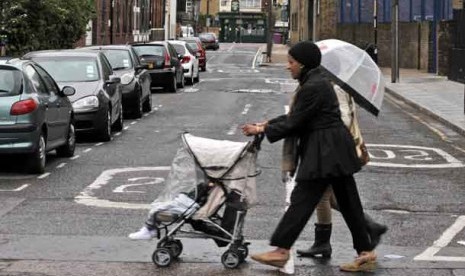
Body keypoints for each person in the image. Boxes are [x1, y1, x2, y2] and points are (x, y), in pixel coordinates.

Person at [241, 41, 378, 272]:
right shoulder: (315, 82)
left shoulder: (314, 86)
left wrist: (262, 129)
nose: (288, 66)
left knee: (302, 200)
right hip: (333, 149)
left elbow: (295, 121)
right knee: (349, 202)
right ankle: (365, 253)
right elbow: (300, 115)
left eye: (291, 62)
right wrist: (268, 123)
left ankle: (281, 251)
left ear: (303, 64)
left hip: (325, 151)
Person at [296, 84, 388, 258]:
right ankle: (370, 226)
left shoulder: (334, 88)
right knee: (334, 197)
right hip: (332, 148)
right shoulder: (335, 86)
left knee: (321, 195)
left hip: (332, 150)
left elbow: (344, 118)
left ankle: (323, 243)